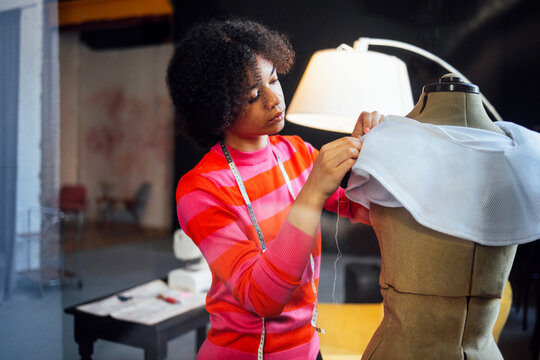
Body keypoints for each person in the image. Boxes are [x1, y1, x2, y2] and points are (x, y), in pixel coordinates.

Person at [166, 18, 382, 360]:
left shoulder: (296, 152)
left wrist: (372, 157)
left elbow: (362, 209)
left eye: (274, 80)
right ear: (216, 108)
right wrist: (312, 193)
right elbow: (262, 298)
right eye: (252, 95)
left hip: (310, 351)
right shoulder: (200, 190)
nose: (273, 100)